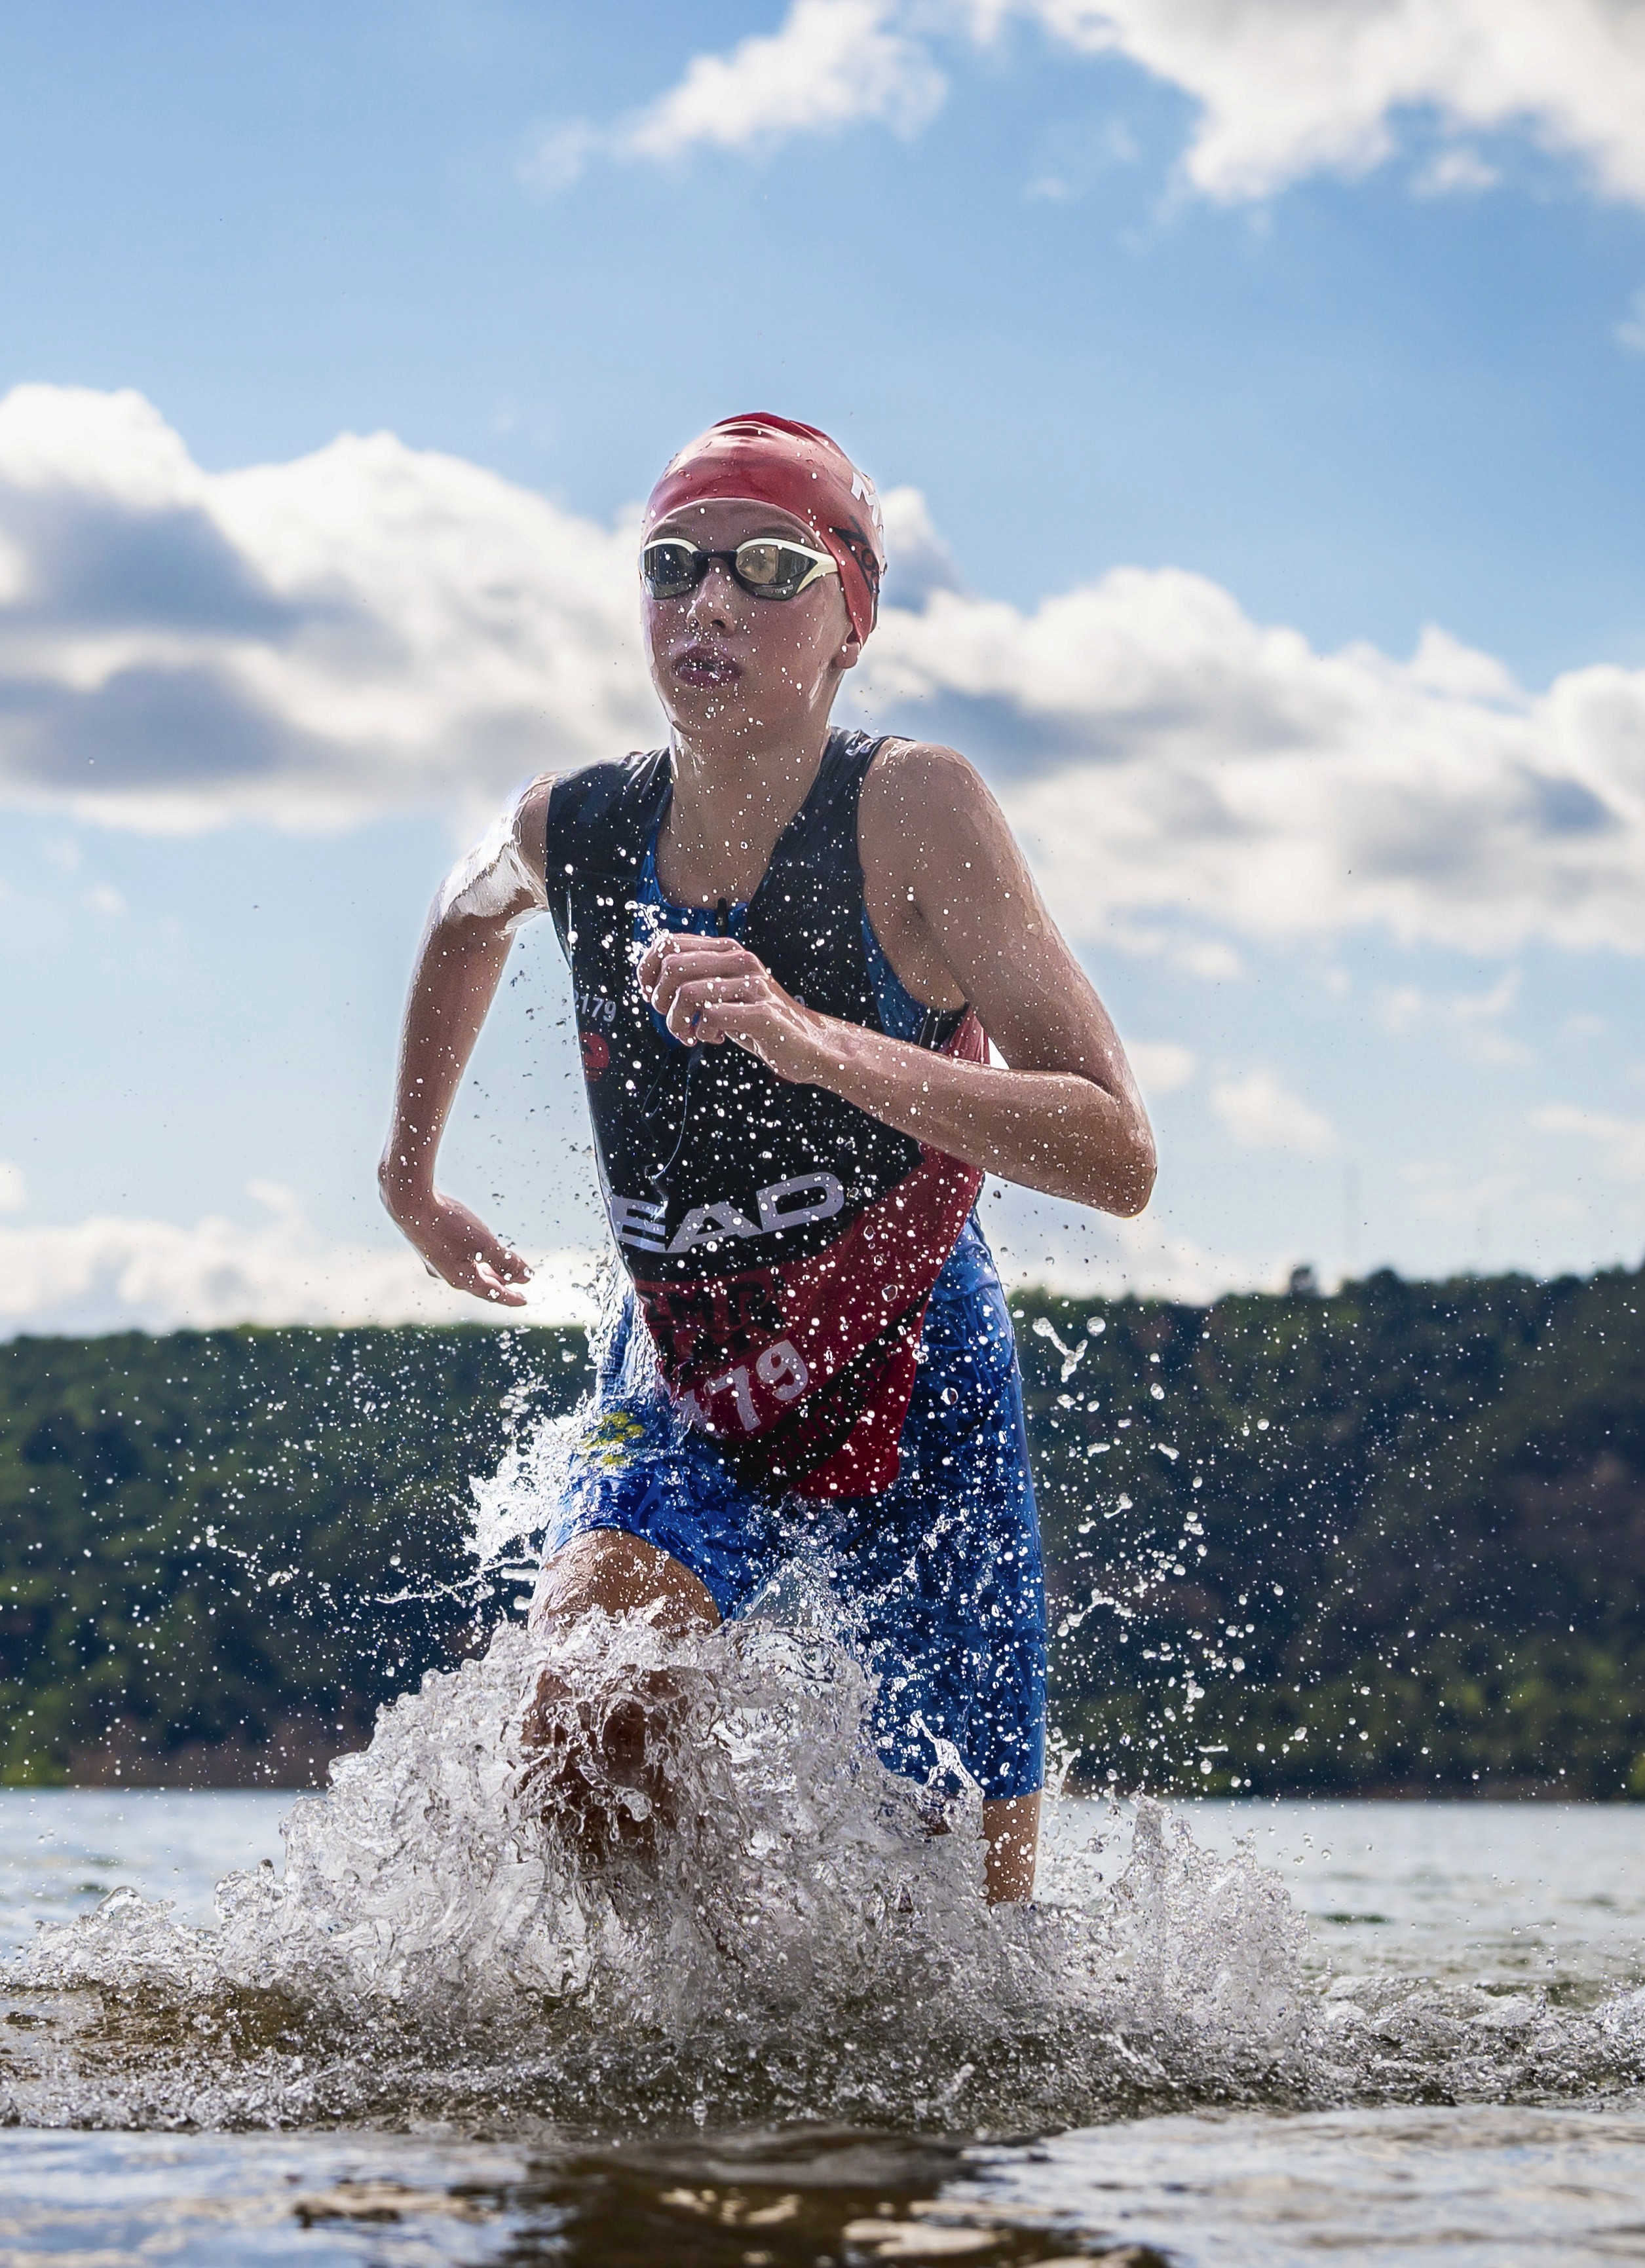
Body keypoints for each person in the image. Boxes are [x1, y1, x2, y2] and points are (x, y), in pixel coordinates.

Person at [378, 413, 1156, 1903]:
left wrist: (809, 1041)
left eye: (766, 566)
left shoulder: (912, 808)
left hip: (913, 1365)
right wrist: (409, 1174)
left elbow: (1116, 1150)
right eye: (673, 566)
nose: (709, 602)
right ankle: (677, 2083)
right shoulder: (579, 823)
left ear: (850, 617)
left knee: (962, 1934)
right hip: (687, 1367)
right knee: (579, 1730)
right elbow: (469, 902)